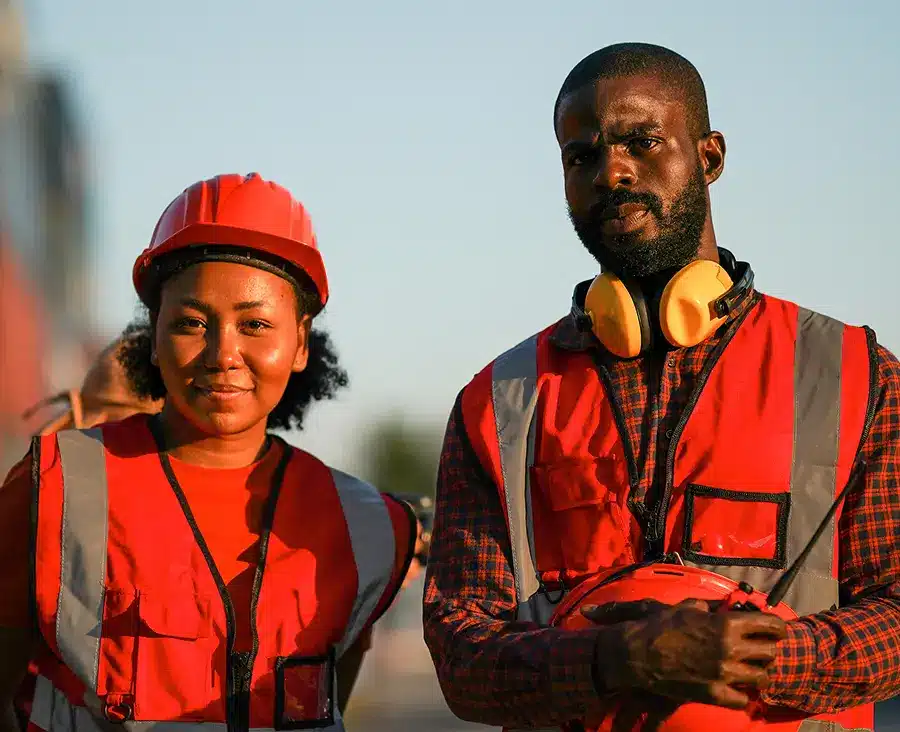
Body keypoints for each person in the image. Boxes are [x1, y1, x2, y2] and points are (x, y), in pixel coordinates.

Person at [423, 43, 900, 730]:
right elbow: (461, 653)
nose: (611, 172)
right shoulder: (498, 403)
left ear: (709, 158)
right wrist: (615, 661)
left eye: (641, 142)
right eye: (581, 157)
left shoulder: (856, 373)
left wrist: (757, 659)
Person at [0, 172, 416, 732]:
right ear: (154, 331)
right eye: (192, 322)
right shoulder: (54, 487)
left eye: (256, 324)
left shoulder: (366, 527)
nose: (224, 353)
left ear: (300, 341)